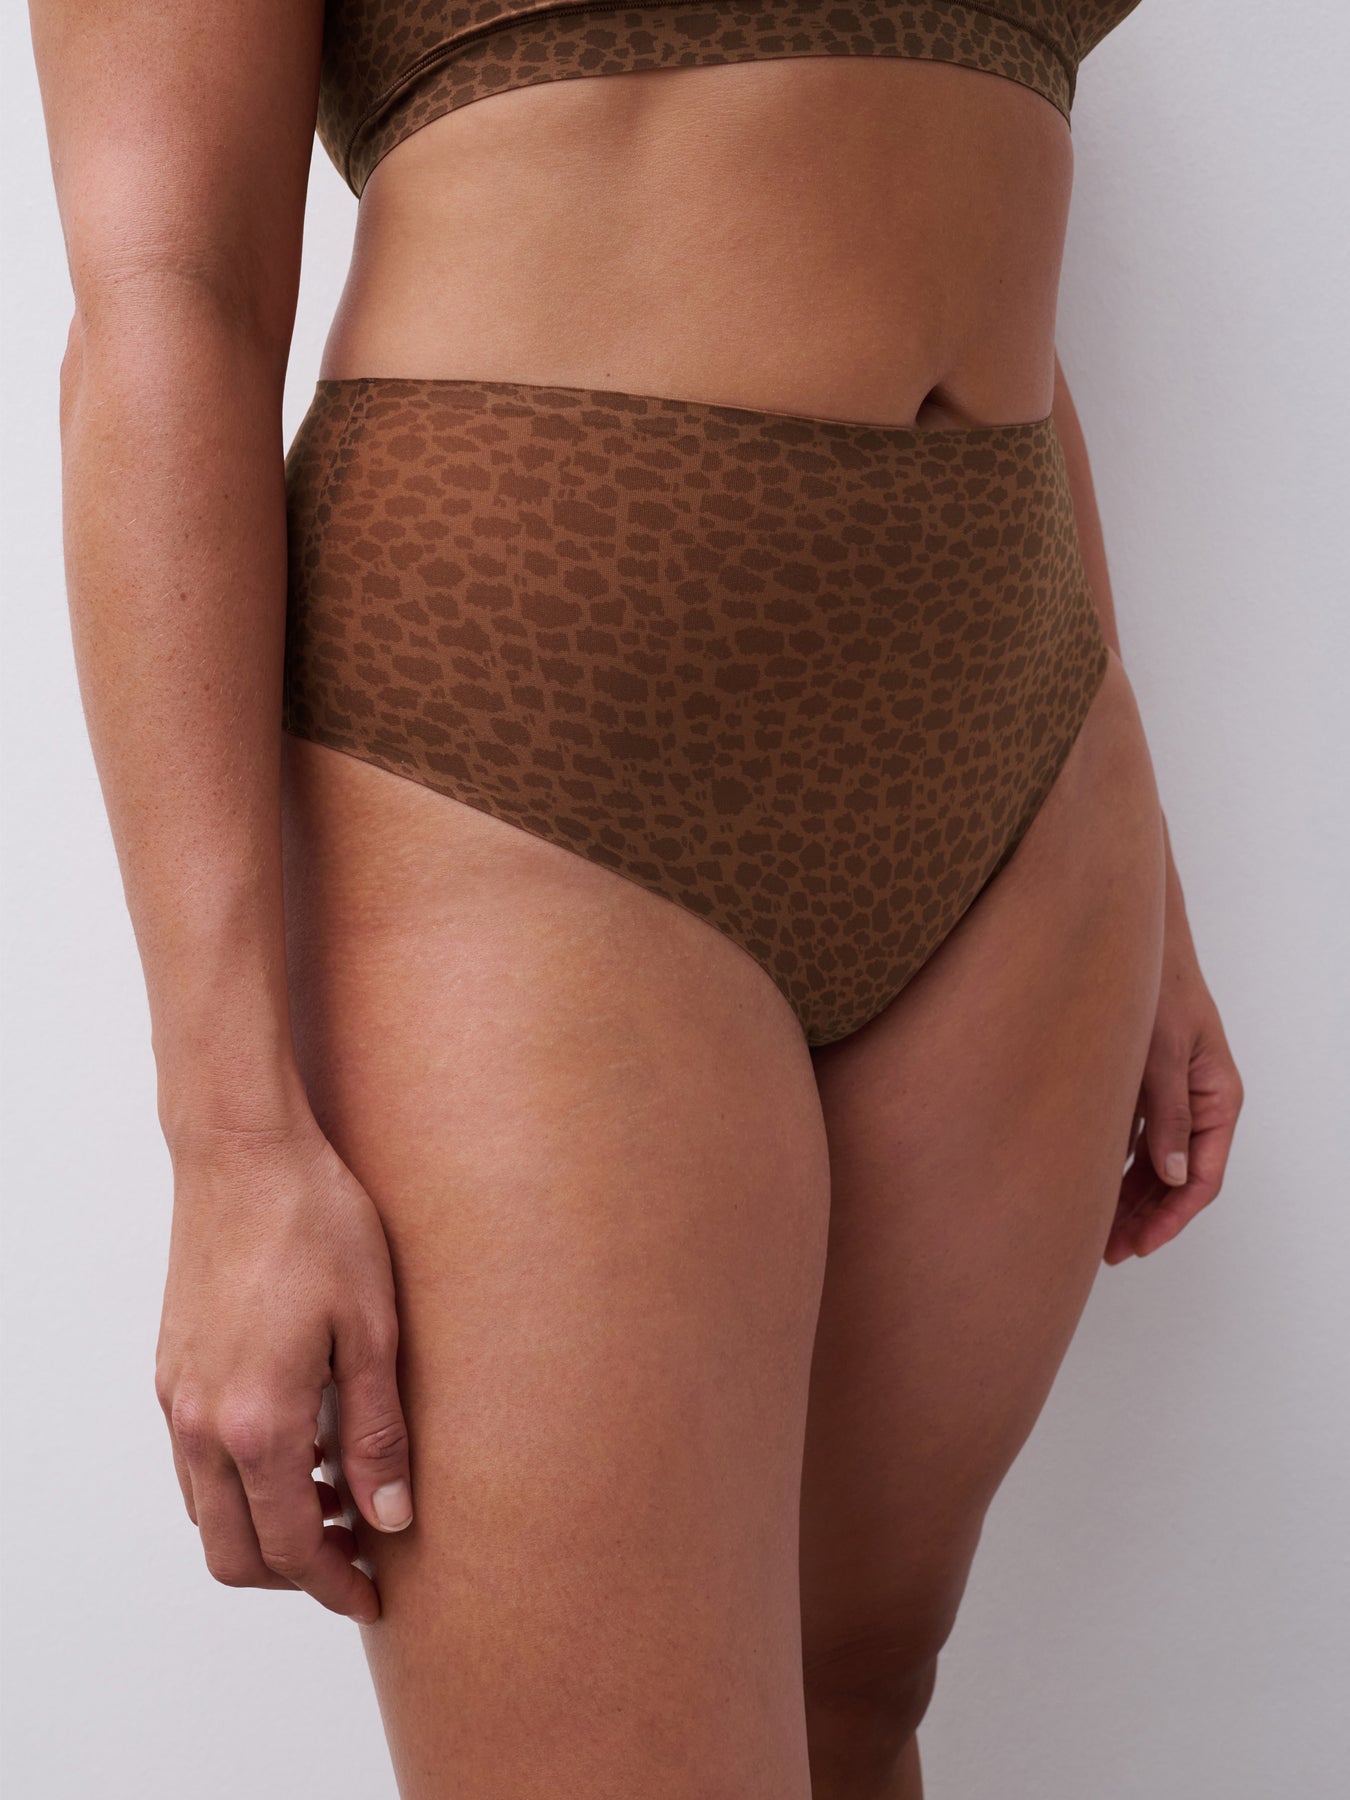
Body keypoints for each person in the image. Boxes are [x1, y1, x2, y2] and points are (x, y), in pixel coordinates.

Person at [30, 2, 1244, 1793]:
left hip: (1019, 734)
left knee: (855, 1706)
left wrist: (1126, 802)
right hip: (521, 754)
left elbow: (938, 153)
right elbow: (168, 302)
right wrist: (229, 1135)